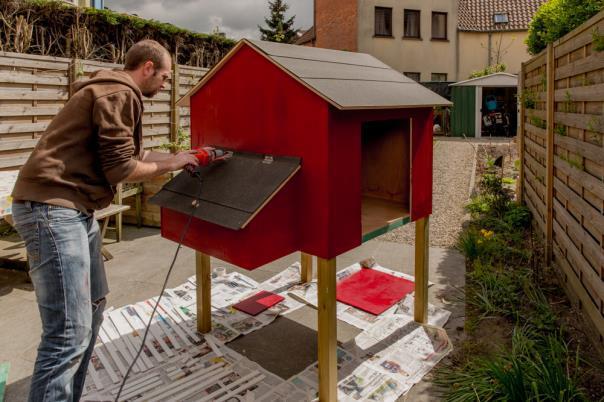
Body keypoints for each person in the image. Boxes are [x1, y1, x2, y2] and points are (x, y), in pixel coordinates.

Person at [10, 39, 199, 402]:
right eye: (164, 76)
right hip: (53, 209)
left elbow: (135, 152)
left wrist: (181, 155)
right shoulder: (118, 94)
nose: (164, 84)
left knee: (94, 310)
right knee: (68, 332)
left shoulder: (112, 92)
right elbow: (121, 168)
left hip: (76, 210)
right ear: (147, 67)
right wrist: (170, 165)